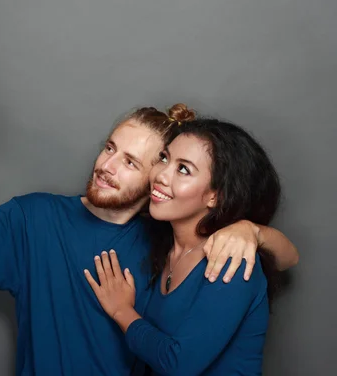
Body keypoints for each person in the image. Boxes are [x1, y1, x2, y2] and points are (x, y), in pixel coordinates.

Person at [0, 88, 299, 375]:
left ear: (152, 181)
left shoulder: (165, 242)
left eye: (130, 161)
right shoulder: (34, 218)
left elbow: (283, 259)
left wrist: (252, 231)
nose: (107, 165)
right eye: (109, 148)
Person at [85, 117, 290, 375]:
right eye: (164, 158)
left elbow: (178, 364)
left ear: (216, 196)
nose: (161, 175)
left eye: (183, 170)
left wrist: (121, 310)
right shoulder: (161, 243)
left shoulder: (232, 262)